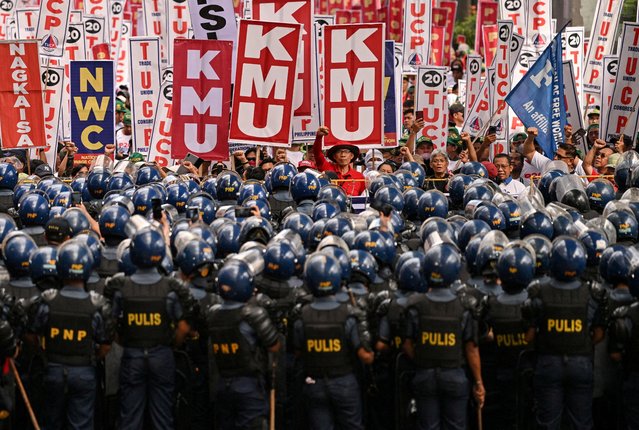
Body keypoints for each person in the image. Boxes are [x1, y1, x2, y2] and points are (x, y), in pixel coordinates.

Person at [103, 225, 194, 429]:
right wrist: (171, 343)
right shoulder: (169, 288)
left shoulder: (122, 287)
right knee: (162, 418)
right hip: (161, 355)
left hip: (132, 355)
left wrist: (126, 340)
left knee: (130, 418)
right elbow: (183, 326)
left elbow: (111, 326)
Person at [26, 240, 114, 430]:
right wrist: (91, 357)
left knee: (51, 421)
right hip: (84, 371)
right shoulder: (96, 304)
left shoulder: (47, 301)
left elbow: (32, 333)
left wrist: (44, 351)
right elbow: (106, 344)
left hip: (53, 370)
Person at [523, 236, 605, 429]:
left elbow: (529, 337)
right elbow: (599, 334)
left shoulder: (539, 292)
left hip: (548, 363)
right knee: (581, 422)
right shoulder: (592, 293)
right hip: (581, 363)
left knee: (548, 422)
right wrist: (582, 341)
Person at [403, 241, 484, 430]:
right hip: (454, 375)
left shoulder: (415, 304)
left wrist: (423, 360)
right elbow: (471, 349)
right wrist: (479, 383)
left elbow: (407, 344)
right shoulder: (463, 306)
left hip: (425, 376)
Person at [294, 253, 374, 430]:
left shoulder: (302, 315)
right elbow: (365, 356)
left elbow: (298, 352)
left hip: (313, 383)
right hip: (344, 382)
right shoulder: (348, 314)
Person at [207, 257, 280, 429]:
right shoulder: (252, 315)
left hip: (222, 383)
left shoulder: (213, 315)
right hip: (248, 384)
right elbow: (274, 345)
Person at [312, 126, 366, 196]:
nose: (343, 155)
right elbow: (317, 153)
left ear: (351, 156)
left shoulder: (359, 176)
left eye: (346, 152)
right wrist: (319, 137)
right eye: (339, 152)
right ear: (334, 156)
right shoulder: (326, 167)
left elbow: (363, 197)